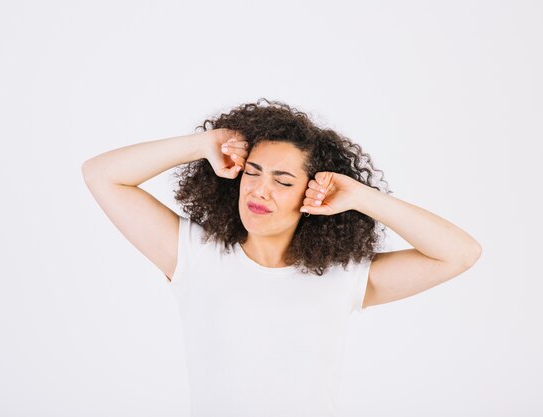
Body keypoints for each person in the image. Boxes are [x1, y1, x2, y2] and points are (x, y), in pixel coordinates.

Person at [81, 98, 482, 416]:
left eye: (283, 181)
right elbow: (101, 174)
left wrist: (360, 197)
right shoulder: (193, 255)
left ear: (313, 192)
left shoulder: (342, 276)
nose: (259, 191)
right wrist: (202, 145)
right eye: (252, 173)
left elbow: (460, 254)